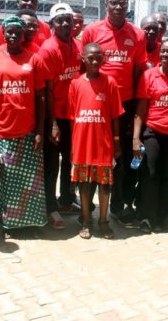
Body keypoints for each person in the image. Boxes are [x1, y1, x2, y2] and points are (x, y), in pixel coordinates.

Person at [81, 0, 146, 226]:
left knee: (122, 155)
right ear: (106, 5)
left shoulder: (136, 34)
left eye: (123, 3)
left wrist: (137, 102)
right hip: (97, 104)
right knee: (94, 154)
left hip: (125, 105)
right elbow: (83, 66)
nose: (119, 7)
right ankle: (88, 207)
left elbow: (139, 70)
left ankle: (120, 203)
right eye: (114, 3)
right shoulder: (92, 31)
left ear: (128, 5)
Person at [0, 16, 47, 234]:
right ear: (3, 33)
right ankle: (10, 223)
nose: (13, 36)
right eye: (9, 32)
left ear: (23, 36)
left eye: (17, 33)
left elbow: (40, 97)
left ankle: (31, 222)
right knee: (7, 180)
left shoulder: (35, 59)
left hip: (28, 130)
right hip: (3, 129)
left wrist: (40, 131)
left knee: (30, 181)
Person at [68, 43, 123, 239]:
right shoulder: (75, 83)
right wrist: (73, 146)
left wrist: (116, 141)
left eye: (98, 57)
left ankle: (103, 221)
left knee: (105, 184)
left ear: (103, 58)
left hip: (103, 142)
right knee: (83, 183)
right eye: (90, 57)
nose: (94, 61)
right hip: (82, 143)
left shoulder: (110, 82)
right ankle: (86, 221)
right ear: (83, 58)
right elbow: (73, 117)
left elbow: (115, 115)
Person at [133, 39, 168, 233]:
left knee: (167, 175)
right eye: (162, 51)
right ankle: (147, 216)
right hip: (153, 131)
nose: (164, 55)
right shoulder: (149, 76)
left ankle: (161, 215)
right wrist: (135, 138)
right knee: (150, 173)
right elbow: (140, 109)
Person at [39, 3, 82, 229]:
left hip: (73, 116)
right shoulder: (48, 49)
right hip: (54, 118)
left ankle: (66, 200)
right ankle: (50, 208)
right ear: (51, 24)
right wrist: (53, 123)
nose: (65, 23)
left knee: (70, 161)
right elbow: (45, 90)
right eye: (60, 20)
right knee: (51, 164)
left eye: (68, 19)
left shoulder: (78, 45)